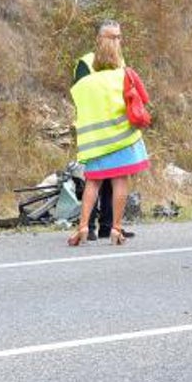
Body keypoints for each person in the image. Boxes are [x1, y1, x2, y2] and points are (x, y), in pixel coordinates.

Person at [68, 33, 150, 246]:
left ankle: (83, 226)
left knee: (92, 183)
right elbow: (143, 99)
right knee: (120, 182)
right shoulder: (124, 75)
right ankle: (115, 228)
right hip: (120, 139)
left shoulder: (83, 85)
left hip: (94, 143)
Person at [72, 19, 134, 240]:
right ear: (99, 39)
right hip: (96, 130)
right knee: (95, 179)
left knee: (112, 178)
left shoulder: (120, 61)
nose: (116, 41)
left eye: (118, 37)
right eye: (111, 37)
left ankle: (109, 225)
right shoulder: (86, 62)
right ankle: (87, 226)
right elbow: (80, 95)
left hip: (116, 128)